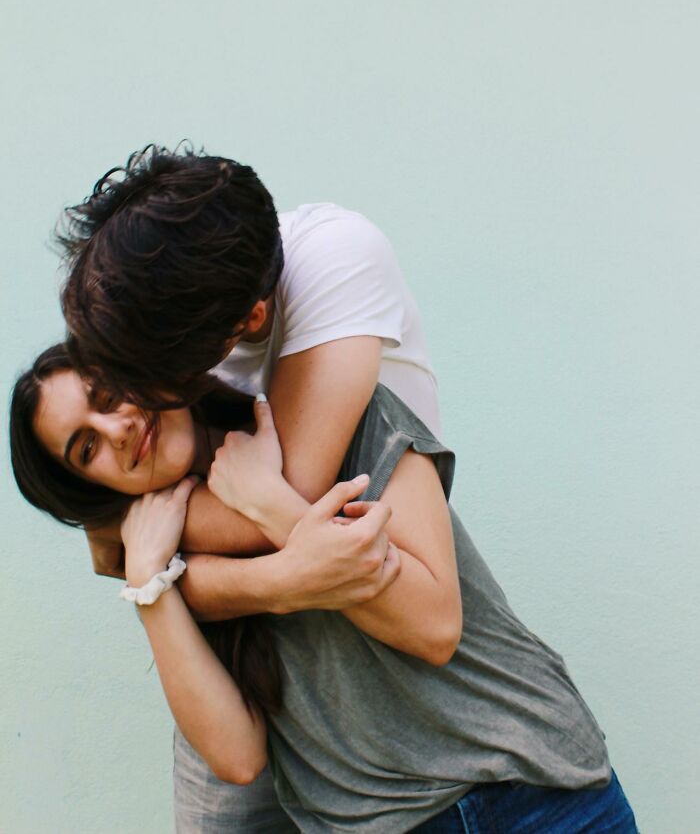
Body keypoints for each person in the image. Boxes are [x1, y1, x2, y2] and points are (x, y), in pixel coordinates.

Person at [10, 346, 639, 833]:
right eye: (86, 445)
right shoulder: (171, 558)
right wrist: (148, 583)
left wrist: (271, 507)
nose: (117, 427)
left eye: (107, 393)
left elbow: (433, 628)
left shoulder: (343, 418)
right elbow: (237, 757)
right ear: (91, 489)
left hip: (538, 793)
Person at [58, 143, 444, 829]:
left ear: (249, 323)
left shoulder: (333, 257)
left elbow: (272, 503)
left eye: (144, 382)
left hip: (373, 649)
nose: (131, 410)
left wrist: (138, 546)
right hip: (240, 661)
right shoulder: (140, 307)